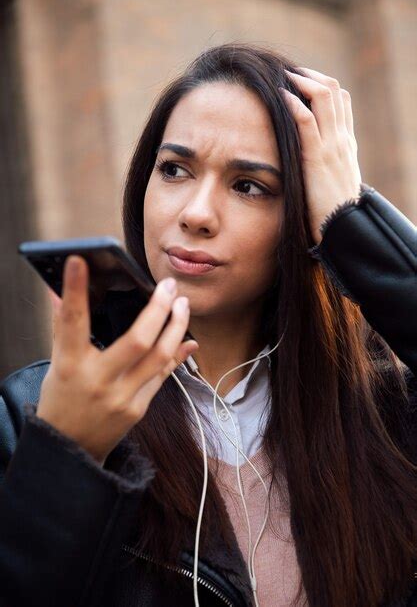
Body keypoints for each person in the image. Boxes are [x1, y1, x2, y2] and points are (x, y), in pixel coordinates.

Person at [0, 42, 416, 607]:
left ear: (303, 216)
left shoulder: (383, 413)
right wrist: (68, 456)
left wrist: (353, 220)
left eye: (249, 186)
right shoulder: (27, 415)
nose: (195, 213)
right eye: (174, 169)